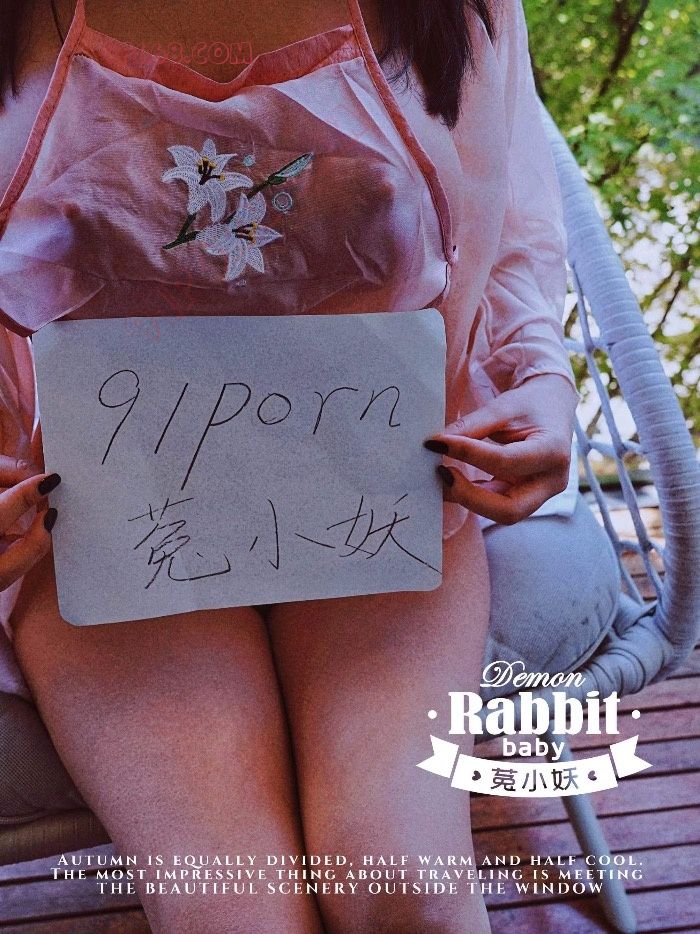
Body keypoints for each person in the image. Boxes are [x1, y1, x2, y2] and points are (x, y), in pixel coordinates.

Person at [0, 1, 583, 931]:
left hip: (379, 497)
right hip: (101, 525)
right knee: (231, 912)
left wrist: (538, 375)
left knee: (410, 893)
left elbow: (508, 200)